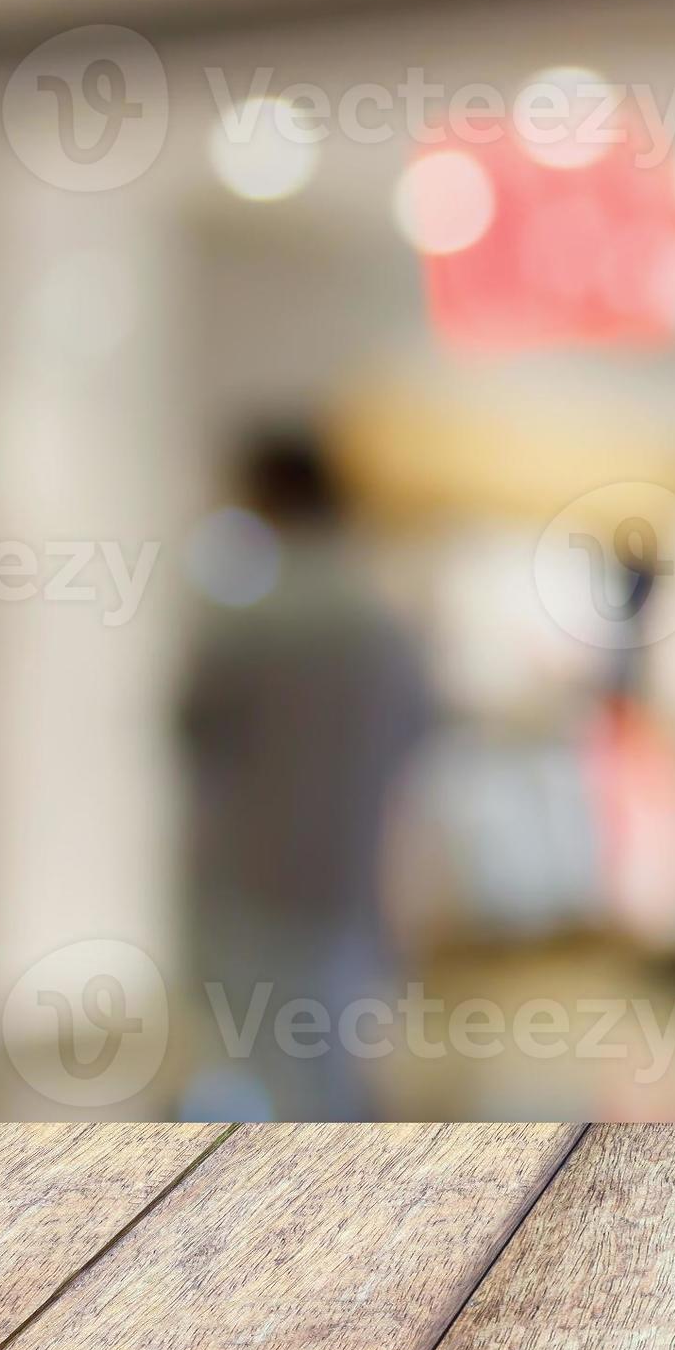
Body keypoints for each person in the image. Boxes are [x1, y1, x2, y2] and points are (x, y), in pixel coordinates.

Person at [177, 429, 433, 1118]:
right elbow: (417, 742)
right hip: (347, 886)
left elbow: (195, 731)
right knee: (331, 1073)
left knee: (256, 1066)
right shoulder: (383, 625)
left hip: (253, 887)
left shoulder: (250, 619)